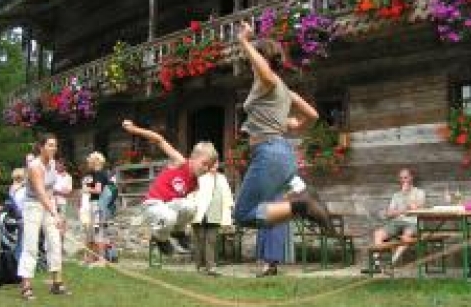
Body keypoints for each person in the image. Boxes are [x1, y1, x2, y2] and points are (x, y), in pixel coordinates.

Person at [233, 21, 335, 234]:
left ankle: (304, 206)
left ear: (261, 59)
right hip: (280, 151)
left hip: (268, 151)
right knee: (258, 209)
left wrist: (244, 41)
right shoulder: (285, 90)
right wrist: (294, 122)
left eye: (253, 58)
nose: (249, 62)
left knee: (243, 214)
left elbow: (268, 76)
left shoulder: (267, 81)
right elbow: (313, 115)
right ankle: (305, 204)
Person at [122, 119, 218, 255]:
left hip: (169, 209)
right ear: (193, 157)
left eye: (209, 167)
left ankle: (178, 232)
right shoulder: (180, 162)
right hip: (152, 206)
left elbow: (193, 206)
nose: (206, 168)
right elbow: (159, 140)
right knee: (169, 216)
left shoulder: (196, 182)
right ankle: (160, 239)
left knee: (190, 206)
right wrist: (134, 129)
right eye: (204, 164)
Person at [17, 133, 71, 300]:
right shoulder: (34, 166)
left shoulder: (53, 163)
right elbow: (40, 192)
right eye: (49, 145)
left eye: (55, 145)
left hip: (49, 204)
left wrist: (56, 213)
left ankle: (57, 283)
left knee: (55, 242)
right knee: (31, 246)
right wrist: (55, 213)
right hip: (33, 205)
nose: (53, 148)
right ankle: (26, 286)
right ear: (41, 147)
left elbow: (50, 191)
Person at [370, 168, 425, 270]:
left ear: (411, 178)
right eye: (401, 178)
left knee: (406, 237)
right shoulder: (396, 195)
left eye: (405, 177)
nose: (403, 180)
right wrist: (402, 211)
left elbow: (416, 208)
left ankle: (391, 263)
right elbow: (389, 213)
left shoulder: (419, 192)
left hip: (412, 222)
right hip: (397, 222)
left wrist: (405, 195)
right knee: (378, 234)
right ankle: (376, 265)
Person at [190, 161, 234, 276]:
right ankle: (199, 266)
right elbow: (191, 194)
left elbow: (227, 196)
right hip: (200, 214)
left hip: (214, 214)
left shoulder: (222, 178)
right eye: (212, 164)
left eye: (216, 164)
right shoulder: (200, 178)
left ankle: (211, 267)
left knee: (211, 241)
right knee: (199, 241)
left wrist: (227, 215)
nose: (214, 166)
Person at [82, 152, 110, 266]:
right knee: (93, 232)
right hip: (95, 204)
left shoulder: (99, 173)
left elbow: (98, 190)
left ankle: (101, 259)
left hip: (97, 204)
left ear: (95, 161)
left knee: (98, 231)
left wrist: (86, 189)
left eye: (89, 161)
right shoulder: (97, 174)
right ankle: (91, 258)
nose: (88, 163)